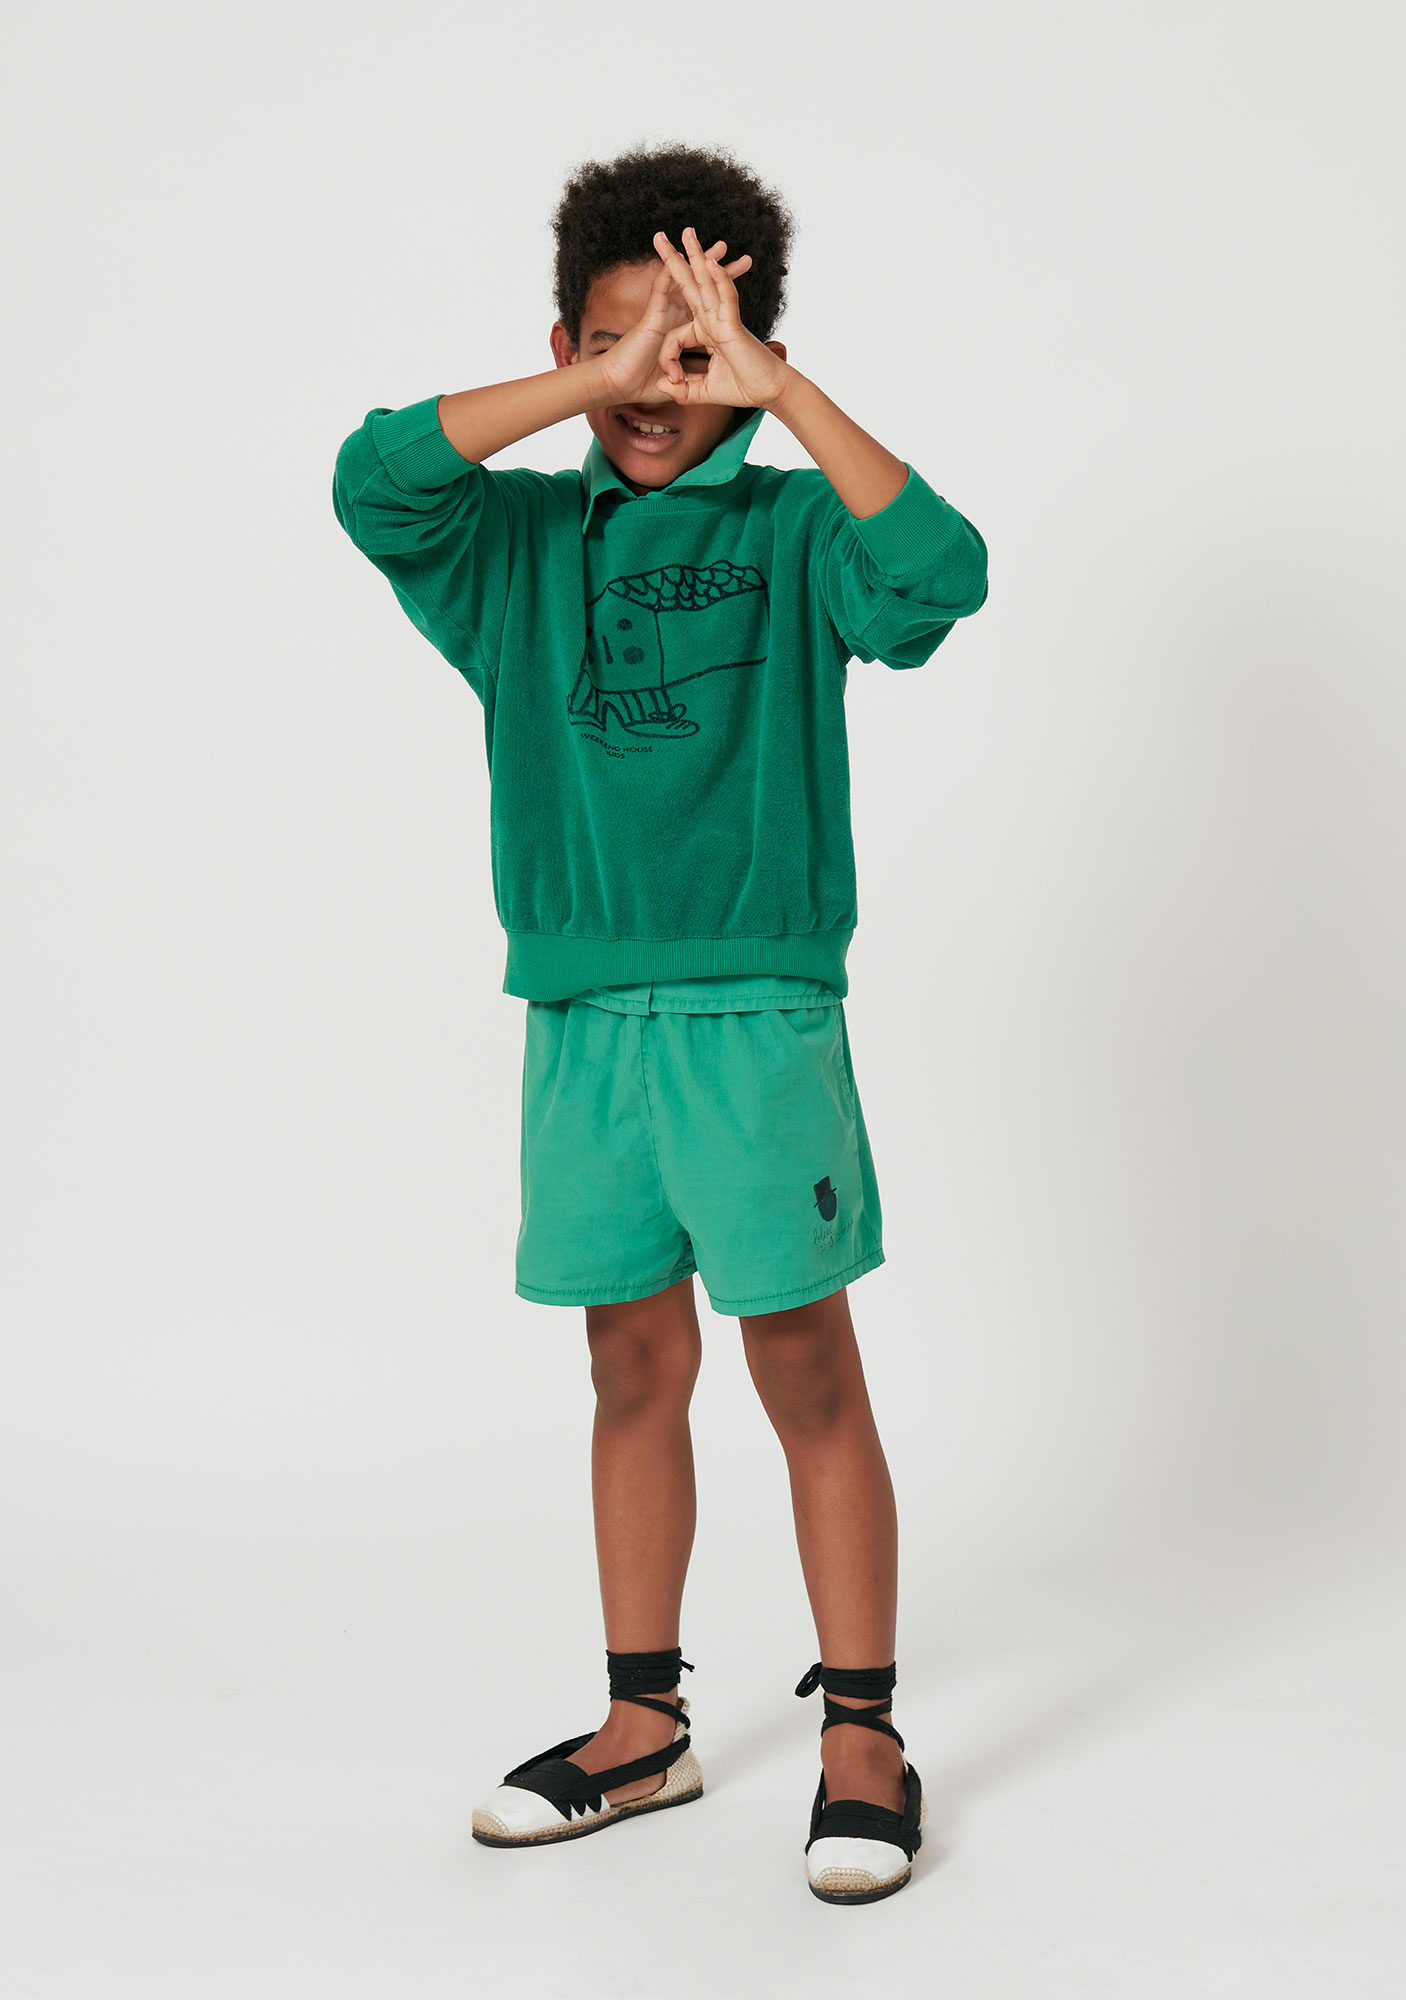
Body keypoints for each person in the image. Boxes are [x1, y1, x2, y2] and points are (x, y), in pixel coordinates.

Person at [332, 141, 988, 1905]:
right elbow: (373, 478)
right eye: (620, 346)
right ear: (565, 342)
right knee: (627, 1366)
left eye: (691, 354)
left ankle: (863, 1733)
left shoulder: (794, 529)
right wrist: (597, 380)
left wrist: (780, 393)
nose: (652, 386)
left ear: (748, 359)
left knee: (802, 1364)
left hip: (754, 1011)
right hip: (580, 1011)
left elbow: (938, 577)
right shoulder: (514, 545)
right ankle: (645, 1724)